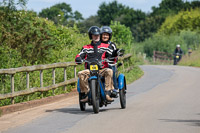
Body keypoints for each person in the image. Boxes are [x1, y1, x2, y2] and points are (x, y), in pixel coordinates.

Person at [75, 26, 114, 102]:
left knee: (109, 71)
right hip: (89, 71)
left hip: (102, 70)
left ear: (100, 35)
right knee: (80, 73)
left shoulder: (106, 46)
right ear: (91, 36)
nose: (96, 37)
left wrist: (111, 58)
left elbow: (111, 55)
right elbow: (79, 55)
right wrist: (78, 58)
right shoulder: (86, 47)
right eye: (94, 35)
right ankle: (86, 93)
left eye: (98, 35)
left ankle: (107, 93)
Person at [100, 26, 119, 93]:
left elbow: (115, 53)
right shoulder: (97, 44)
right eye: (103, 34)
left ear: (109, 36)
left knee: (111, 69)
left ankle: (115, 87)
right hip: (99, 64)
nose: (105, 36)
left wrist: (111, 57)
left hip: (110, 63)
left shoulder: (112, 44)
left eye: (107, 35)